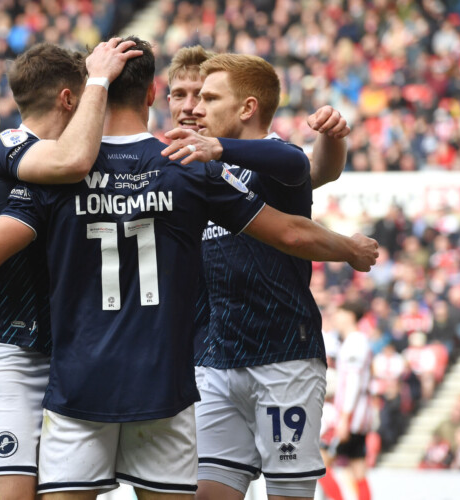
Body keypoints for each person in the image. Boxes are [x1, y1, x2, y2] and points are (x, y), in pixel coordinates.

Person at [0, 36, 378, 500]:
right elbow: (290, 231)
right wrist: (349, 249)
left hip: (80, 383)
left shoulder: (56, 174)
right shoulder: (189, 166)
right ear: (153, 94)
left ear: (92, 93)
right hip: (165, 387)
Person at [0, 39, 141, 500]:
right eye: (88, 97)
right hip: (4, 355)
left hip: (61, 358)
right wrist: (99, 78)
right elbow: (72, 161)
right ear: (69, 98)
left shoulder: (66, 167)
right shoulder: (10, 145)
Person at [161, 53, 351, 500]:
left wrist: (332, 139)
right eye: (182, 95)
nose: (194, 108)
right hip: (214, 358)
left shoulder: (268, 159)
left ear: (245, 106)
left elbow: (303, 166)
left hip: (282, 357)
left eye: (206, 97)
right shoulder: (192, 171)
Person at [329, 302, 373, 500]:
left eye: (339, 312)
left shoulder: (355, 343)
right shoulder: (352, 341)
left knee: (321, 462)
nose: (335, 317)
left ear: (350, 315)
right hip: (357, 414)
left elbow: (353, 382)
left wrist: (345, 418)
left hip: (352, 415)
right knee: (358, 467)